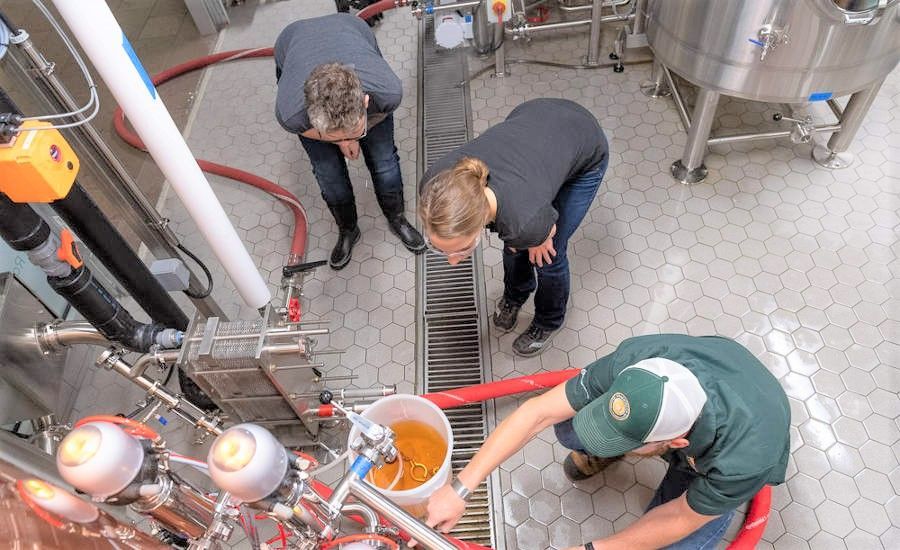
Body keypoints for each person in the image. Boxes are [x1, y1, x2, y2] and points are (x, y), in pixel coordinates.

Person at [424, 334, 791, 550]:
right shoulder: (639, 361)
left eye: (625, 441)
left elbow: (681, 516)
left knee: (682, 540)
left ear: (676, 443)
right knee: (569, 428)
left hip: (744, 432)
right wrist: (460, 488)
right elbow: (537, 413)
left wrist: (592, 549)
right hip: (713, 367)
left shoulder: (741, 460)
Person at [419, 98, 608, 357]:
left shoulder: (525, 221)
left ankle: (548, 319)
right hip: (533, 120)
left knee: (548, 256)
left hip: (582, 142)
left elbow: (539, 230)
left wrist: (540, 236)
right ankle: (516, 294)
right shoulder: (433, 186)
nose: (453, 262)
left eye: (461, 249)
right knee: (515, 246)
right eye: (441, 249)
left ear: (480, 223)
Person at [274, 13, 425, 270]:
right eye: (334, 133)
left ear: (366, 103)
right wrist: (344, 140)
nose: (346, 139)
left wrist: (348, 136)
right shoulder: (291, 112)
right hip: (294, 37)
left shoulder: (387, 91)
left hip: (349, 28)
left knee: (385, 162)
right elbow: (306, 130)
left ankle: (396, 217)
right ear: (312, 118)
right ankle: (348, 229)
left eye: (351, 130)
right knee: (328, 174)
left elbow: (374, 120)